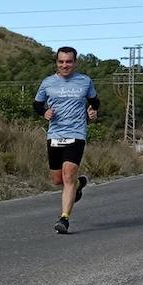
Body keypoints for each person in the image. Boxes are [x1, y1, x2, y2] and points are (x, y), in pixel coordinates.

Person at [33, 46, 99, 235]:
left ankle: (64, 218)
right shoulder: (48, 83)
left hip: (77, 133)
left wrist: (93, 111)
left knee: (68, 174)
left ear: (74, 62)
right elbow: (37, 104)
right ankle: (78, 186)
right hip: (54, 134)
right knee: (57, 179)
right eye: (61, 62)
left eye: (68, 61)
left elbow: (95, 101)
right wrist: (44, 112)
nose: (65, 65)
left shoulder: (84, 81)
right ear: (56, 62)